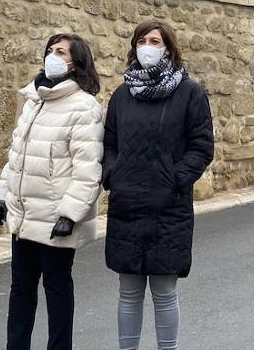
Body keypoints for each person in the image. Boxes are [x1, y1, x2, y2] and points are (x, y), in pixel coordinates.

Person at [103, 20, 214, 350]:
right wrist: (113, 176)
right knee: (128, 292)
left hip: (169, 207)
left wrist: (176, 182)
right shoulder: (122, 95)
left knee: (164, 292)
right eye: (142, 40)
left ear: (168, 48)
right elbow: (109, 142)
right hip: (127, 204)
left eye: (155, 40)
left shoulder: (190, 92)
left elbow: (201, 146)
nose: (147, 46)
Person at [0, 33, 105, 350]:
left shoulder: (84, 107)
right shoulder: (34, 100)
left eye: (61, 51)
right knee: (20, 288)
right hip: (24, 214)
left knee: (57, 288)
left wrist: (71, 215)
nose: (53, 55)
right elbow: (17, 155)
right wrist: (3, 194)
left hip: (56, 219)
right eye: (50, 50)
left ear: (76, 62)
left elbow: (88, 169)